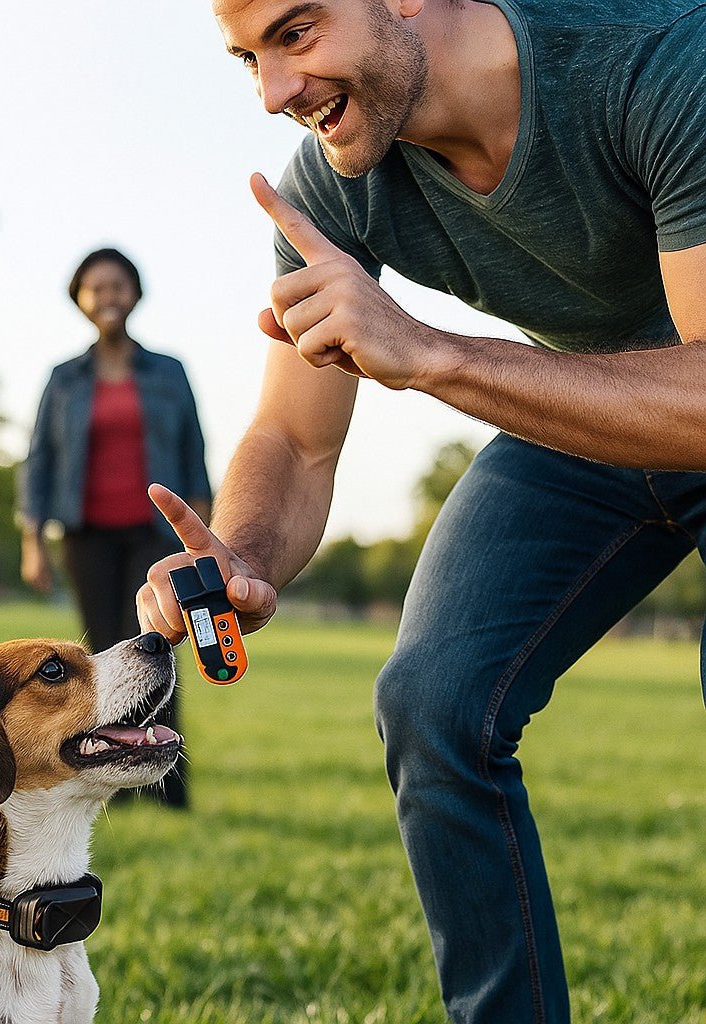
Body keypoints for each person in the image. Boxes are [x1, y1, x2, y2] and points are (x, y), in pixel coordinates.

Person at [136, 0, 706, 1018]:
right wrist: (244, 550)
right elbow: (296, 438)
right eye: (247, 59)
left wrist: (435, 354)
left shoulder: (659, 63)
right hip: (584, 412)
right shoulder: (336, 184)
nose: (273, 94)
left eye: (296, 32)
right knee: (433, 700)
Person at [20, 247, 212, 808]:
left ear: (135, 294)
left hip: (156, 534)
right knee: (102, 657)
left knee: (156, 646)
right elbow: (38, 461)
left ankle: (169, 787)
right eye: (96, 287)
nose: (108, 296)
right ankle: (117, 781)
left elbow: (193, 452)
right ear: (80, 299)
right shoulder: (64, 379)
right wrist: (33, 541)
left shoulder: (168, 372)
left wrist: (204, 541)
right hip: (86, 536)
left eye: (118, 285)